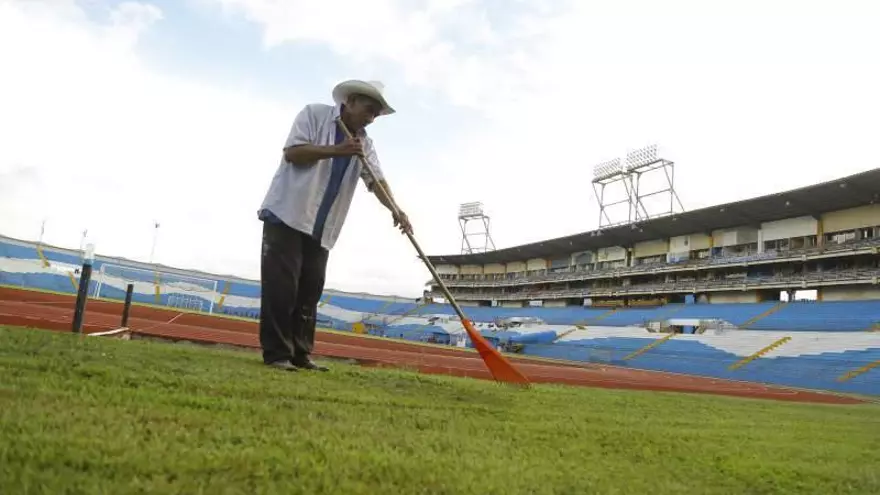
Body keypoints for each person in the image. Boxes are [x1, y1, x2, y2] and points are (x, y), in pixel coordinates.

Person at [256, 79, 412, 372]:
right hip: (288, 214)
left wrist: (396, 209)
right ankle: (277, 354)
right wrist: (338, 150)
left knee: (310, 290)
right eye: (368, 110)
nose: (371, 118)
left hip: (322, 225)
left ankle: (301, 353)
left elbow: (376, 180)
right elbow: (293, 153)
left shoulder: (365, 144)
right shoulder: (314, 115)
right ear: (350, 101)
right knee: (282, 287)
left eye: (376, 115)